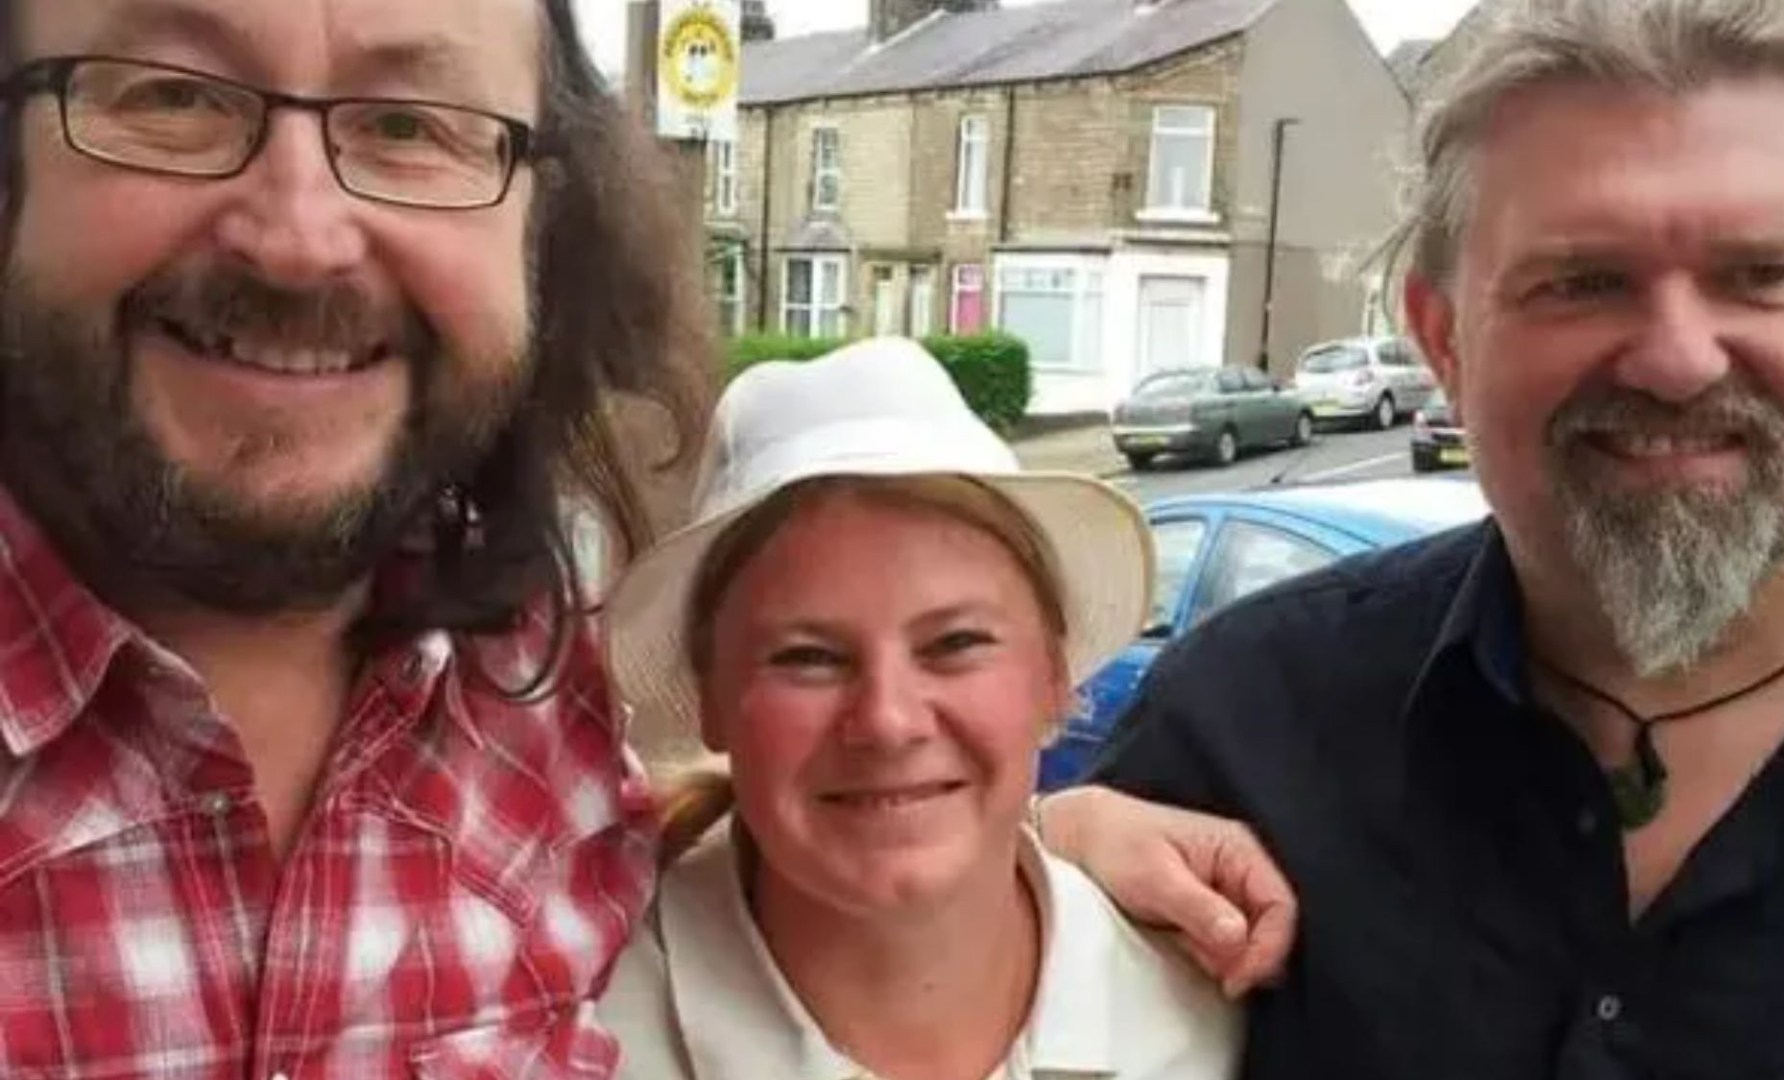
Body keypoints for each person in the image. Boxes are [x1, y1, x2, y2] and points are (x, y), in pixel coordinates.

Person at [1038, 0, 1784, 1076]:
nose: (1680, 360)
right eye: (1586, 282)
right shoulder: (1244, 722)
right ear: (1442, 335)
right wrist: (1024, 879)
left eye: (1761, 275)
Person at [0, 0, 709, 1074]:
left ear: (542, 223)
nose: (298, 241)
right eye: (173, 96)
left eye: (412, 124)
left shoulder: (557, 708)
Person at [599, 338, 1242, 1080]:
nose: (887, 720)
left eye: (956, 642)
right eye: (808, 657)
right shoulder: (570, 1044)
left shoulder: (1201, 1014)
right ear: (712, 700)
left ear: (1054, 677)